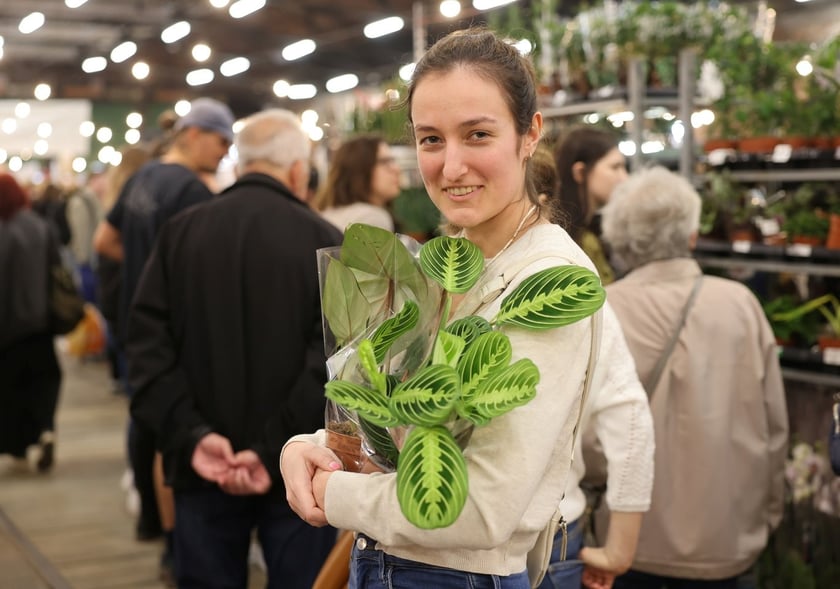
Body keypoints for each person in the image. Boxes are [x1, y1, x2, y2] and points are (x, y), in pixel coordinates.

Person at [280, 27, 644, 589]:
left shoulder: (547, 278)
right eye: (430, 139)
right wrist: (311, 449)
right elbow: (389, 425)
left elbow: (482, 506)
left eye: (477, 134)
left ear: (530, 134)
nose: (450, 168)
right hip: (388, 563)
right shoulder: (440, 263)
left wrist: (335, 493)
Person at [127, 108, 342, 588]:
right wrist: (271, 451)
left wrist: (192, 434)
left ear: (241, 165)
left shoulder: (180, 233)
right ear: (295, 171)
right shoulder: (326, 242)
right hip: (298, 470)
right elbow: (334, 365)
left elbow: (145, 346)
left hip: (202, 463)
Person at [599, 166, 789, 589]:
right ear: (690, 236)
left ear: (621, 241)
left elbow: (587, 437)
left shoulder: (602, 309)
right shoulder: (740, 304)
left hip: (627, 542)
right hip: (726, 541)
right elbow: (774, 425)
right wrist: (767, 515)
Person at [93, 97, 235, 574]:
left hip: (140, 330)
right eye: (221, 140)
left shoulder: (141, 178)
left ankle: (160, 532)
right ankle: (178, 548)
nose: (224, 151)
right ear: (193, 134)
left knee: (150, 427)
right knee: (177, 441)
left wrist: (139, 276)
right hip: (179, 334)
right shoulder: (191, 192)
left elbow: (103, 242)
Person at [533, 143, 655, 589]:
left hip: (546, 542)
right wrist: (620, 547)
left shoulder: (566, 269)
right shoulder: (570, 266)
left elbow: (628, 415)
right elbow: (629, 415)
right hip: (549, 537)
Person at [0, 172, 62, 472]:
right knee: (43, 384)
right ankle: (46, 429)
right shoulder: (40, 227)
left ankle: (17, 445)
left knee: (9, 390)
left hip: (5, 329)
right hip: (40, 324)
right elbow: (57, 273)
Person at [552, 126, 628, 284]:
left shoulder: (588, 234)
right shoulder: (568, 243)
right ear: (580, 172)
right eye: (615, 167)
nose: (624, 178)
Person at [313, 134, 401, 231]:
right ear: (359, 169)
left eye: (393, 161)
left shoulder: (326, 215)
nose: (396, 169)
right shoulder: (372, 218)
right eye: (385, 162)